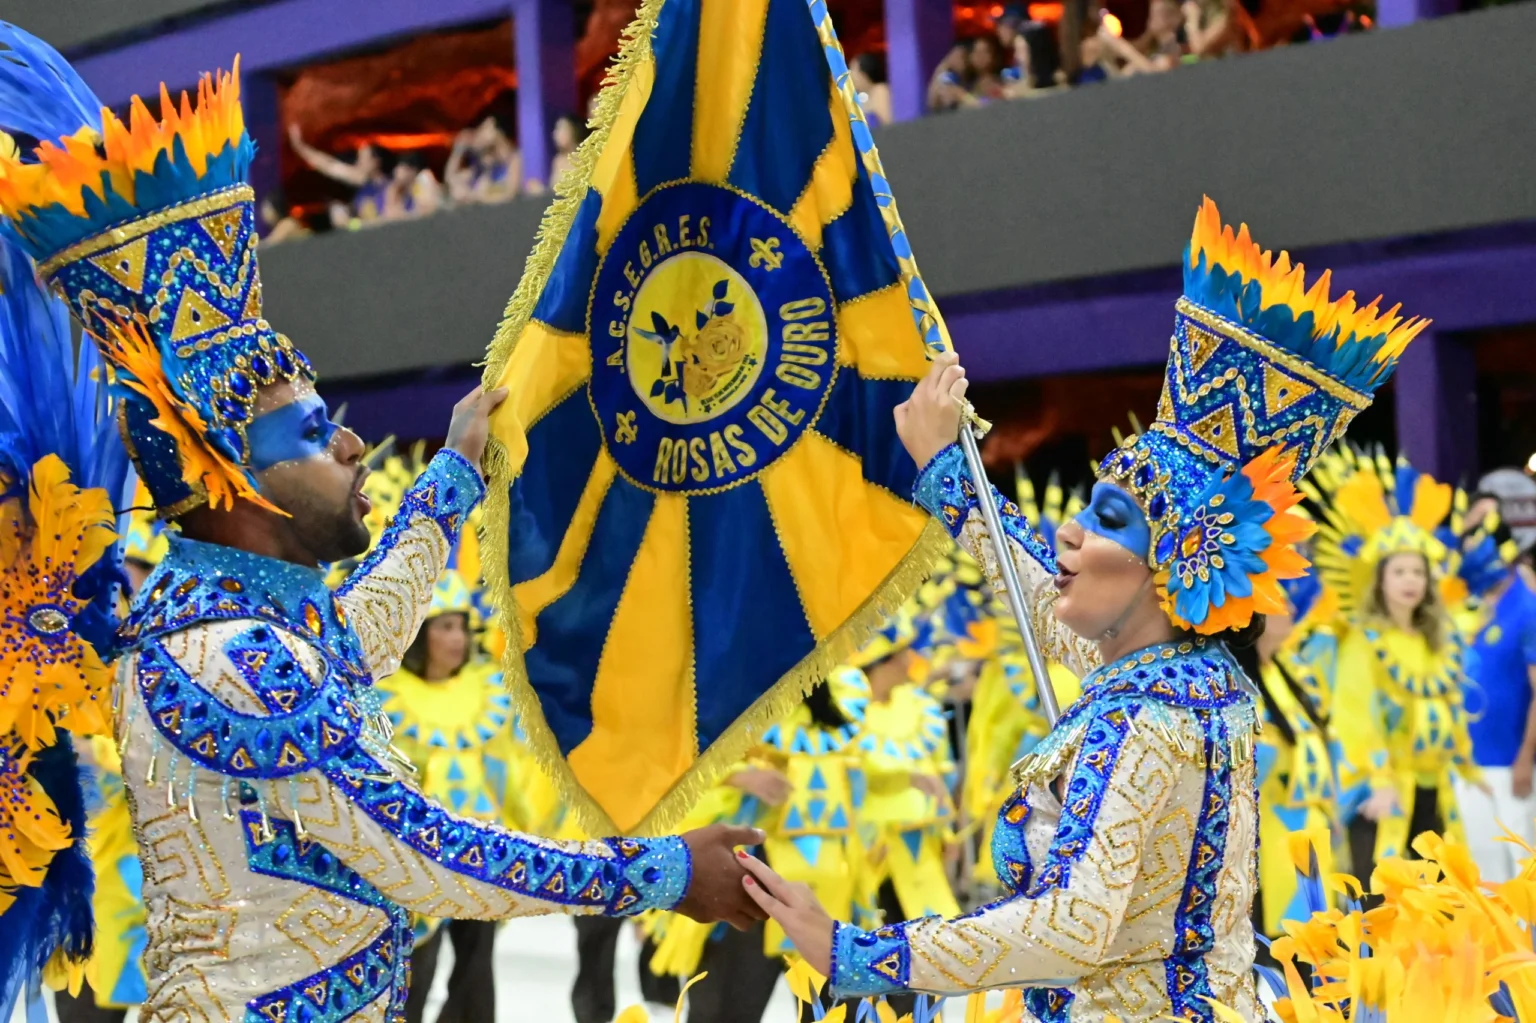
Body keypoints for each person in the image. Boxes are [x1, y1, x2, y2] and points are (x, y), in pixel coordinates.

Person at [0, 40, 765, 1019]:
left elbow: (357, 634)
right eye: (315, 432)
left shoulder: (242, 630)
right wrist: (660, 871)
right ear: (235, 477)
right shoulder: (226, 655)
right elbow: (422, 854)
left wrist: (453, 473)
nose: (353, 441)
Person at [733, 197, 1426, 1018]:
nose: (1070, 528)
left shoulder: (1145, 716)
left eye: (1106, 517)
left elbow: (1073, 928)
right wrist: (946, 468)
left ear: (1173, 567)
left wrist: (857, 951)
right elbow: (1035, 589)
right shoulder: (1192, 679)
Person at [1313, 450, 1479, 876]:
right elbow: (1353, 715)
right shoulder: (1364, 641)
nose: (1410, 581)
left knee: (1440, 893)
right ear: (1380, 579)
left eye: (1418, 572)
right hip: (1383, 792)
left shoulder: (1436, 640)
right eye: (1400, 571)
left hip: (1437, 787)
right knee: (1382, 895)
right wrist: (1377, 780)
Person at [1456, 509, 1536, 883]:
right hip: (1469, 764)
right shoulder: (1467, 605)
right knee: (1483, 876)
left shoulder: (1528, 607)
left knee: (1523, 873)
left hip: (1512, 764)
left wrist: (1525, 759)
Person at [287, 123, 392, 221]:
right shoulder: (363, 182)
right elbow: (330, 165)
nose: (358, 163)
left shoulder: (393, 185)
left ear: (376, 162)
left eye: (363, 159)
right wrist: (300, 147)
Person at [445, 115, 522, 205]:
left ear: (495, 131)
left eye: (483, 128)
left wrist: (474, 196)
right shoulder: (485, 164)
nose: (479, 133)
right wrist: (458, 149)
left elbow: (510, 194)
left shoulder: (515, 158)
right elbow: (451, 179)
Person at [849, 52, 893, 128]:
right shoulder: (862, 96)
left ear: (864, 74)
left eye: (853, 70)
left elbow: (887, 122)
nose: (851, 76)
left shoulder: (880, 90)